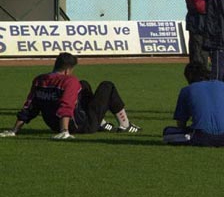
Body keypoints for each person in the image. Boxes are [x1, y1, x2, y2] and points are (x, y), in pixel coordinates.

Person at [0, 52, 140, 140]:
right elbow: (66, 106)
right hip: (81, 126)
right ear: (68, 70)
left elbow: (30, 107)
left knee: (83, 84)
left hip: (54, 125)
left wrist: (14, 130)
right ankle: (125, 125)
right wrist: (65, 131)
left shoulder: (40, 80)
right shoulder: (69, 81)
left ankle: (101, 124)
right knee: (107, 86)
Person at [162, 62, 224, 147]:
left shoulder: (187, 90)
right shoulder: (221, 85)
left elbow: (181, 122)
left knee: (167, 133)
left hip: (202, 137)